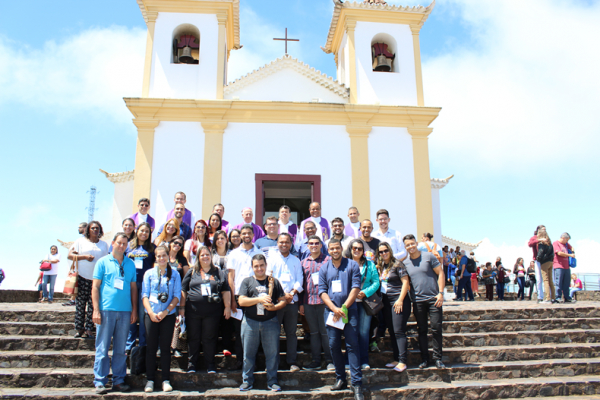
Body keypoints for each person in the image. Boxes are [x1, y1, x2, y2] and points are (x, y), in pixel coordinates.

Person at [92, 233, 137, 394]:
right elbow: (95, 287)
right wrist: (96, 310)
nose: (122, 246)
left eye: (124, 243)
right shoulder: (102, 262)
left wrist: (134, 310)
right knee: (103, 347)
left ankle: (118, 380)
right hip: (106, 310)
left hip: (125, 312)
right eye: (119, 243)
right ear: (113, 243)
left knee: (120, 349)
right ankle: (100, 381)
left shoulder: (130, 264)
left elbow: (133, 288)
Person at [318, 239, 364, 400]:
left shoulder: (352, 265)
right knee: (334, 345)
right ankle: (341, 379)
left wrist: (343, 308)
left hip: (349, 311)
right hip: (332, 313)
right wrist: (334, 309)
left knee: (352, 346)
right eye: (331, 249)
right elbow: (322, 291)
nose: (335, 251)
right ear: (328, 250)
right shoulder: (324, 268)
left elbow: (356, 287)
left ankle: (356, 383)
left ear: (341, 248)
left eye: (337, 248)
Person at [238, 254, 287, 392]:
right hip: (250, 322)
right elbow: (241, 301)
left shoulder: (273, 281)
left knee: (272, 354)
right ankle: (247, 381)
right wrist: (259, 299)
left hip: (270, 321)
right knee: (248, 354)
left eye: (261, 265)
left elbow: (283, 300)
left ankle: (272, 381)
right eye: (256, 266)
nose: (259, 268)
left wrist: (275, 307)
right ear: (252, 267)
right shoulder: (247, 281)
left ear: (266, 265)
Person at [181, 245, 231, 373]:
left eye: (207, 254)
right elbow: (183, 290)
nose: (205, 257)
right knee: (193, 338)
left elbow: (225, 290)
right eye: (202, 255)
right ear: (198, 257)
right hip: (193, 312)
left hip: (212, 313)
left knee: (209, 338)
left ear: (211, 256)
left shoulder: (218, 272)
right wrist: (181, 308)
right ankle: (192, 364)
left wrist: (227, 307)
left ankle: (210, 365)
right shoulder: (192, 271)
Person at [142, 245, 182, 393]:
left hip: (168, 315)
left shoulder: (175, 274)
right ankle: (150, 380)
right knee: (151, 348)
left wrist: (166, 312)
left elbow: (177, 296)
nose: (161, 258)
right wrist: (151, 313)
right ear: (156, 258)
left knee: (165, 349)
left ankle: (166, 379)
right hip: (151, 315)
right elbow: (144, 295)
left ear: (167, 256)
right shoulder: (149, 273)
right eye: (158, 256)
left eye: (164, 255)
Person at [402, 234, 445, 369]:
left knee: (436, 328)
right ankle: (425, 359)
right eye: (407, 245)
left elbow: (440, 273)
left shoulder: (429, 257)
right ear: (405, 247)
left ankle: (438, 358)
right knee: (422, 330)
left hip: (434, 299)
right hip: (418, 301)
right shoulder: (405, 263)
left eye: (412, 243)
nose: (410, 246)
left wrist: (441, 293)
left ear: (416, 243)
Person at [264, 233, 303, 371]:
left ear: (291, 244)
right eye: (281, 242)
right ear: (277, 244)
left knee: (291, 333)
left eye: (287, 242)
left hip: (292, 302)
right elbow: (269, 279)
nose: (284, 244)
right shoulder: (271, 260)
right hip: (276, 302)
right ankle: (273, 363)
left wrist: (291, 293)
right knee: (273, 333)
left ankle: (292, 362)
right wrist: (281, 295)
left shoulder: (296, 261)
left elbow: (299, 280)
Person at [227, 224, 263, 369]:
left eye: (249, 233)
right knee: (239, 331)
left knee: (256, 329)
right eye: (244, 233)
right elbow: (231, 278)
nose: (246, 235)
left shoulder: (259, 252)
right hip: (238, 296)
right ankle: (240, 361)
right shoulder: (233, 254)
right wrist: (232, 300)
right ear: (240, 235)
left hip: (256, 296)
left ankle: (255, 362)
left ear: (253, 235)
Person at [342, 239, 379, 370]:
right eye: (354, 248)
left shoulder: (370, 264)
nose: (357, 250)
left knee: (363, 332)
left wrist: (365, 292)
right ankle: (348, 360)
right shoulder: (344, 263)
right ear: (350, 249)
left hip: (365, 303)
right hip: (349, 302)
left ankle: (363, 360)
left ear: (363, 251)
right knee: (350, 332)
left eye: (360, 248)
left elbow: (376, 282)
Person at [68, 221, 109, 339]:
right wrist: (84, 257)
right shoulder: (80, 242)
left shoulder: (104, 245)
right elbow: (70, 255)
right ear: (88, 230)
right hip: (82, 277)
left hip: (97, 280)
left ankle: (89, 330)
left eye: (97, 228)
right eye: (93, 228)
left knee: (93, 305)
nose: (95, 230)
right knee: (80, 305)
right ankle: (79, 329)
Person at [376, 241, 411, 372]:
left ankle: (403, 361)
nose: (384, 253)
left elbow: (405, 282)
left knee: (398, 331)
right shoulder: (382, 266)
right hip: (386, 301)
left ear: (390, 251)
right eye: (381, 252)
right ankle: (396, 358)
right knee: (391, 330)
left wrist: (400, 300)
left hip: (398, 301)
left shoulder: (397, 264)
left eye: (386, 250)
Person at [300, 235, 334, 371]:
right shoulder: (303, 263)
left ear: (320, 245)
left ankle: (330, 360)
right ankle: (316, 361)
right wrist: (301, 304)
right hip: (308, 301)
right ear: (308, 246)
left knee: (325, 332)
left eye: (316, 243)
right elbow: (302, 283)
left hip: (325, 302)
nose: (314, 245)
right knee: (314, 332)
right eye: (311, 243)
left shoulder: (328, 260)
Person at [125, 222, 155, 352]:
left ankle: (143, 344)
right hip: (130, 283)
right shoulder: (128, 246)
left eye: (147, 231)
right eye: (142, 230)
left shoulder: (152, 248)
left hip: (145, 285)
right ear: (137, 231)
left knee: (143, 315)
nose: (144, 233)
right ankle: (129, 345)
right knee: (131, 313)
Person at [167, 236, 190, 358]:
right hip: (164, 293)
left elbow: (186, 277)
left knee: (176, 322)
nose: (177, 245)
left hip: (177, 293)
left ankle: (174, 347)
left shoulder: (182, 259)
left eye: (180, 244)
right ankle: (162, 347)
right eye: (175, 242)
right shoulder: (163, 255)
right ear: (170, 243)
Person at [553, 233, 576, 303]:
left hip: (566, 266)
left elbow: (572, 247)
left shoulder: (566, 244)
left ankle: (567, 297)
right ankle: (558, 297)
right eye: (566, 240)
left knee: (566, 282)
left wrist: (572, 251)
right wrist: (570, 255)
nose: (567, 242)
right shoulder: (556, 243)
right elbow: (559, 253)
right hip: (558, 266)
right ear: (563, 238)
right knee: (559, 282)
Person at [537, 229, 556, 304]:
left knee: (546, 280)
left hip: (544, 262)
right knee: (551, 281)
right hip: (550, 262)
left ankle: (548, 298)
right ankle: (553, 297)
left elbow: (540, 253)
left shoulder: (542, 244)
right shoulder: (550, 243)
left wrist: (538, 259)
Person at [528, 225, 546, 303]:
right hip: (538, 260)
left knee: (548, 279)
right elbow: (530, 244)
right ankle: (540, 296)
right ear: (538, 230)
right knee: (539, 279)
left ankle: (550, 296)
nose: (544, 231)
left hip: (546, 260)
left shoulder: (546, 237)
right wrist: (539, 240)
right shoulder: (534, 238)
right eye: (543, 229)